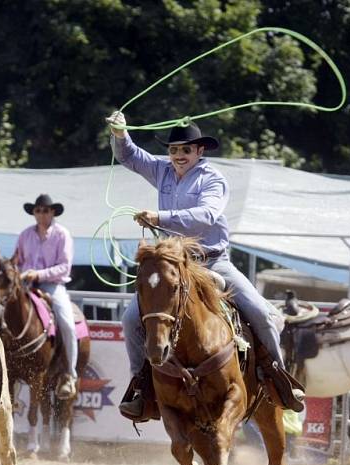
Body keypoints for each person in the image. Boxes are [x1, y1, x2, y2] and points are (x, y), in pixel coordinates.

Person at [105, 111, 305, 420]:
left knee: (260, 312)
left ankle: (279, 379)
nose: (179, 155)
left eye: (186, 149)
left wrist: (160, 218)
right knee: (131, 318)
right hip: (176, 266)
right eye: (174, 150)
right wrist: (120, 134)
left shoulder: (213, 179)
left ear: (200, 151)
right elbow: (129, 156)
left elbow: (206, 215)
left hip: (214, 263)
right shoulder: (162, 171)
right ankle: (142, 388)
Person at [17, 193, 78, 399]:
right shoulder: (25, 235)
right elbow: (17, 260)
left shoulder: (62, 234)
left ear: (52, 212)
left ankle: (69, 373)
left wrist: (39, 274)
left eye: (45, 210)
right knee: (3, 315)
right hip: (25, 284)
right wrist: (18, 275)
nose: (41, 214)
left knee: (67, 324)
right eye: (38, 210)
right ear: (33, 213)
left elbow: (64, 266)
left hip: (52, 285)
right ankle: (4, 369)